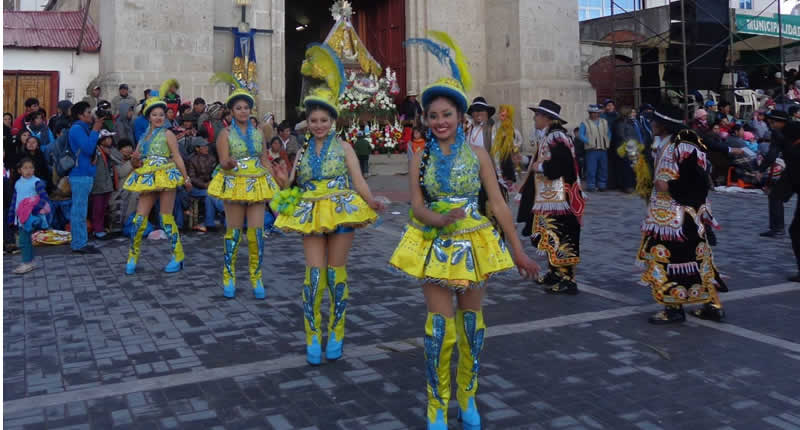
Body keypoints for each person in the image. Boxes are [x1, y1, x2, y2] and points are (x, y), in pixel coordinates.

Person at [398, 32, 539, 430]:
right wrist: (438, 220)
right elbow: (417, 205)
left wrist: (518, 251)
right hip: (434, 243)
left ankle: (468, 396)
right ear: (425, 119)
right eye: (433, 115)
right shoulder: (419, 156)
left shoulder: (478, 155)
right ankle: (436, 404)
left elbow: (497, 205)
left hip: (474, 243)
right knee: (439, 330)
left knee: (472, 327)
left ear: (461, 116)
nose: (440, 121)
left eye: (447, 114)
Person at [273, 43, 384, 366]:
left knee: (336, 276)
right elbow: (293, 184)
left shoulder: (346, 148)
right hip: (310, 211)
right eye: (314, 120)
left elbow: (358, 181)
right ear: (308, 122)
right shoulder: (303, 151)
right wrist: (281, 182)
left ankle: (336, 331)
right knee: (313, 277)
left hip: (341, 209)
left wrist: (372, 200)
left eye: (324, 119)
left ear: (332, 120)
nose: (319, 124)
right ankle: (312, 335)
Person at [637, 129, 727, 324]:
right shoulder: (669, 143)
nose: (651, 124)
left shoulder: (681, 145)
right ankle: (712, 305)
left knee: (669, 259)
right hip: (678, 215)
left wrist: (670, 187)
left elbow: (696, 180)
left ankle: (674, 309)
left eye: (654, 120)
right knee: (698, 258)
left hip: (675, 218)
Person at [208, 73, 281, 299]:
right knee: (234, 233)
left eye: (246, 108)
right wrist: (228, 163)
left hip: (257, 183)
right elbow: (222, 161)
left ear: (251, 110)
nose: (243, 111)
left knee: (256, 234)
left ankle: (256, 277)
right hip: (235, 183)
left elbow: (265, 160)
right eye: (238, 108)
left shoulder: (259, 132)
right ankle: (229, 275)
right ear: (231, 111)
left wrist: (278, 193)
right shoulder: (225, 134)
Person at [122, 81, 192, 275]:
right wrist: (135, 161)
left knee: (166, 217)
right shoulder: (143, 137)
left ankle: (178, 255)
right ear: (148, 117)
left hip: (165, 176)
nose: (159, 117)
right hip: (148, 176)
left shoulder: (168, 134)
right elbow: (136, 161)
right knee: (139, 218)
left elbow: (177, 157)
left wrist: (185, 179)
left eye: (161, 114)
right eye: (155, 114)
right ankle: (132, 257)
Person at [520, 99, 585, 295]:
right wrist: (526, 162)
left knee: (561, 235)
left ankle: (567, 278)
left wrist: (539, 167)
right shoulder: (549, 137)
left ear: (547, 118)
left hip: (559, 199)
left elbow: (561, 165)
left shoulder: (557, 137)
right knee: (550, 235)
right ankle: (555, 272)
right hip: (549, 198)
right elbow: (542, 161)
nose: (534, 118)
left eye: (537, 115)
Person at [68, 101, 103, 254]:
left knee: (81, 209)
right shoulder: (77, 129)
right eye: (88, 112)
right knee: (79, 210)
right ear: (79, 115)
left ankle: (80, 241)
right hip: (80, 174)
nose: (91, 115)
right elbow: (88, 148)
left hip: (85, 173)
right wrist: (95, 130)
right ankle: (78, 243)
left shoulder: (82, 128)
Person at [7, 157, 51, 274]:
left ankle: (26, 263)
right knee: (25, 240)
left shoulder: (36, 182)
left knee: (23, 240)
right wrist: (11, 216)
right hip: (20, 216)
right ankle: (30, 262)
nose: (28, 170)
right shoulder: (17, 183)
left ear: (34, 169)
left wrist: (35, 210)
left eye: (31, 167)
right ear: (19, 170)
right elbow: (14, 201)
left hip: (30, 216)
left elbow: (44, 197)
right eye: (25, 168)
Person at [760, 110, 792, 238]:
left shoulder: (778, 133)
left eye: (772, 122)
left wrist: (761, 169)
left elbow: (772, 154)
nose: (771, 125)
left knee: (775, 196)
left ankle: (778, 229)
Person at [186, 137, 220, 233]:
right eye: (203, 147)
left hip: (210, 186)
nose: (206, 148)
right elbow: (192, 177)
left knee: (210, 196)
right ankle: (213, 219)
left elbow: (216, 173)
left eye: (206, 146)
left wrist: (212, 182)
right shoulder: (192, 160)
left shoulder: (212, 158)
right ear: (197, 148)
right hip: (195, 188)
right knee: (209, 194)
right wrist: (204, 185)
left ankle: (209, 223)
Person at [91, 130, 118, 239]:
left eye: (110, 138)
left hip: (107, 184)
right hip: (98, 184)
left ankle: (101, 228)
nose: (110, 140)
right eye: (107, 138)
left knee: (103, 208)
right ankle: (97, 229)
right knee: (97, 208)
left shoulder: (109, 151)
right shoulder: (96, 151)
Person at [579, 104, 611, 192]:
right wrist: (588, 141)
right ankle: (591, 185)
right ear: (589, 113)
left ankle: (602, 185)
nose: (595, 114)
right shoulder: (585, 123)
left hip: (603, 149)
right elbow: (581, 135)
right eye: (593, 113)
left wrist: (608, 141)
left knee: (603, 168)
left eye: (596, 113)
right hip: (591, 149)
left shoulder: (604, 122)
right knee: (591, 169)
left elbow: (608, 133)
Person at [491, 104, 522, 191]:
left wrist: (516, 146)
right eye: (500, 114)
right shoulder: (496, 127)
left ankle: (511, 183)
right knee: (501, 167)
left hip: (511, 153)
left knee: (512, 167)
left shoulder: (512, 128)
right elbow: (493, 139)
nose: (500, 116)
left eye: (503, 114)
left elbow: (519, 138)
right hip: (499, 152)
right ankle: (503, 183)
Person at [113, 139, 138, 230]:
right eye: (125, 147)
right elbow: (120, 173)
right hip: (120, 190)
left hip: (134, 187)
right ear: (119, 150)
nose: (128, 149)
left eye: (129, 146)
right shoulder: (115, 160)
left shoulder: (134, 158)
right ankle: (126, 224)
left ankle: (130, 223)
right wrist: (131, 163)